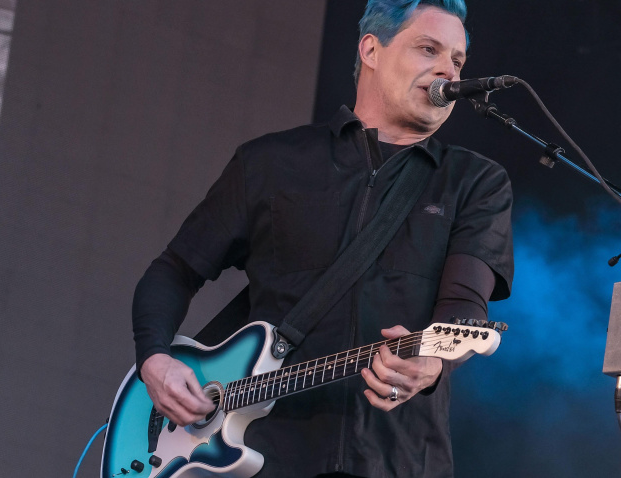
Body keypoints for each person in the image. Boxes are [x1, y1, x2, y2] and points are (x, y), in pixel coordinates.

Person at [132, 1, 513, 476]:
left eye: (457, 60)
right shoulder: (271, 162)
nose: (447, 69)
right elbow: (175, 269)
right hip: (262, 454)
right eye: (428, 49)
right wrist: (154, 358)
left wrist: (432, 367)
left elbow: (464, 306)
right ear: (371, 50)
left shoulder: (475, 181)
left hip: (398, 458)